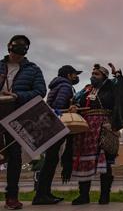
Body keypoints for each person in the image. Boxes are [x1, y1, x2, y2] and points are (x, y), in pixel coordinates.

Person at [67, 63, 123, 205]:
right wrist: (74, 106)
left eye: (96, 74)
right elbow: (76, 101)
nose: (92, 77)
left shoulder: (111, 87)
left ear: (105, 76)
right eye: (92, 74)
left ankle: (104, 196)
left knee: (105, 163)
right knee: (83, 161)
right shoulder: (86, 90)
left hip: (104, 127)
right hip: (85, 129)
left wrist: (118, 75)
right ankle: (83, 195)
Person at [0, 35, 46, 210]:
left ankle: (12, 196)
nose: (16, 56)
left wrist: (19, 96)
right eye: (14, 51)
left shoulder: (33, 69)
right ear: (8, 48)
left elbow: (40, 91)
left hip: (17, 113)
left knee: (14, 155)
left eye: (20, 52)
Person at [32, 65, 82, 205]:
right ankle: (41, 195)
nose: (76, 77)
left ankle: (44, 193)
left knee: (51, 160)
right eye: (74, 74)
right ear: (68, 75)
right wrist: (71, 109)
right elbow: (59, 106)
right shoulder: (66, 86)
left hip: (52, 125)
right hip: (57, 126)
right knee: (50, 161)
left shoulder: (57, 85)